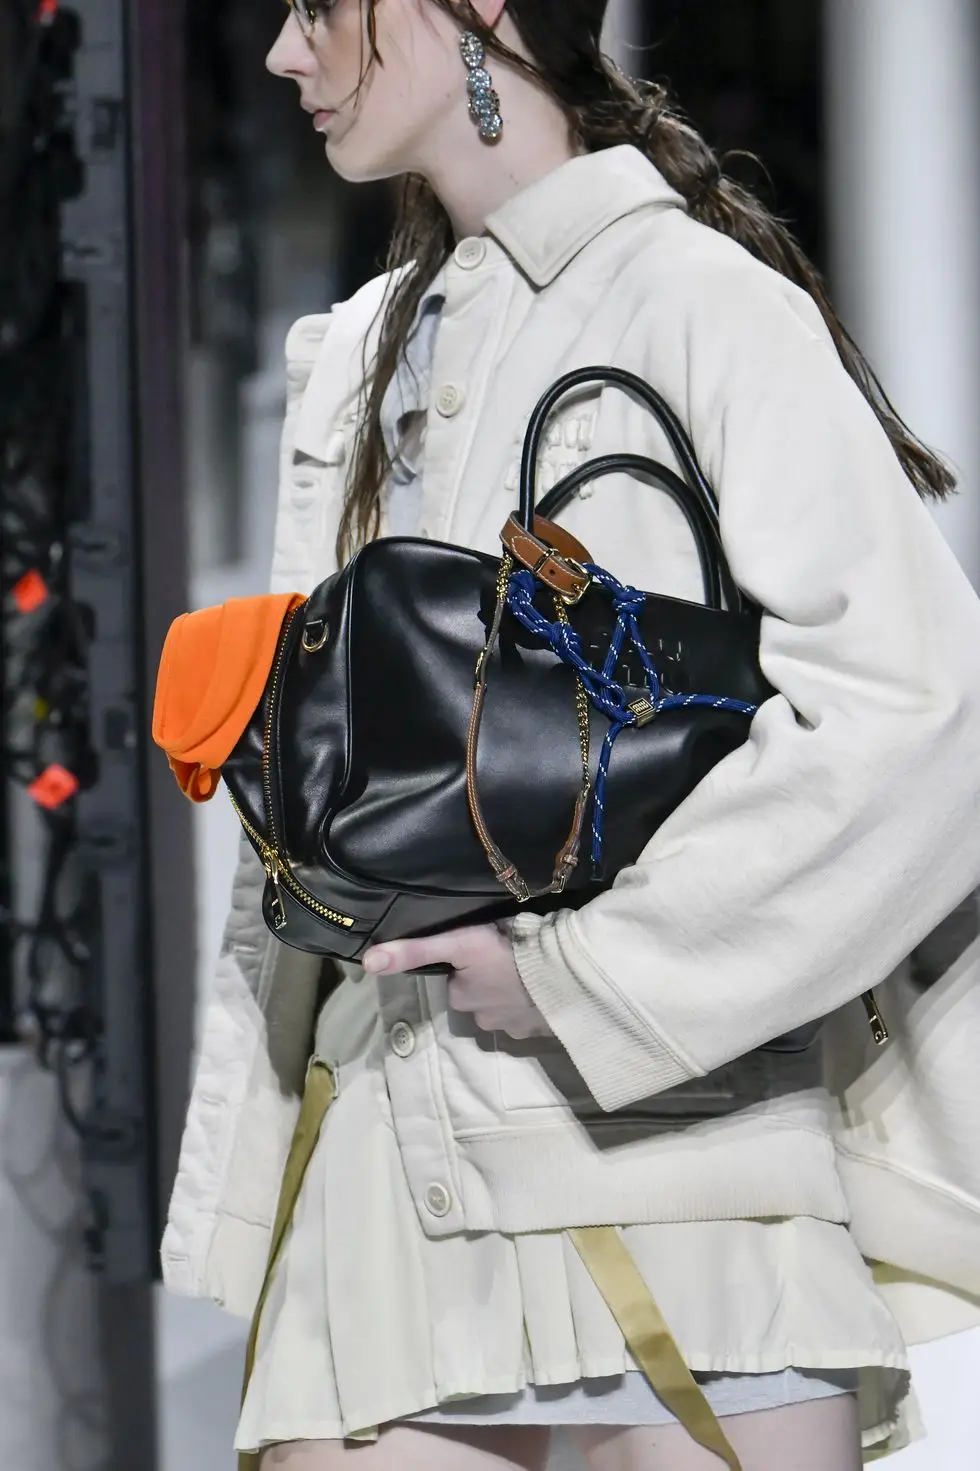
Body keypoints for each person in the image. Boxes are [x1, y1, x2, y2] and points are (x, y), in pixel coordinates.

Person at [160, 2, 980, 1469]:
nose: (286, 55)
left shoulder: (697, 302)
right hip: (390, 1203)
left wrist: (582, 976)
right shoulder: (353, 361)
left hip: (693, 1189)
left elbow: (919, 721)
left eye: (318, 9)